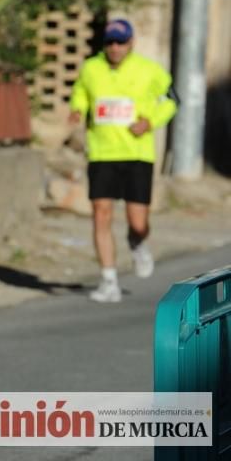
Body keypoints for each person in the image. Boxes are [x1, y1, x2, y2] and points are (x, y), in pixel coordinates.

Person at [68, 18, 177, 303]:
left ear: (131, 43)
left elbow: (172, 99)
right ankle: (108, 280)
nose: (115, 48)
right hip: (102, 153)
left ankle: (137, 242)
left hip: (137, 154)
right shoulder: (91, 68)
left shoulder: (148, 70)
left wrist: (150, 121)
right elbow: (80, 92)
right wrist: (77, 109)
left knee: (137, 221)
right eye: (110, 43)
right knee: (101, 213)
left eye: (121, 42)